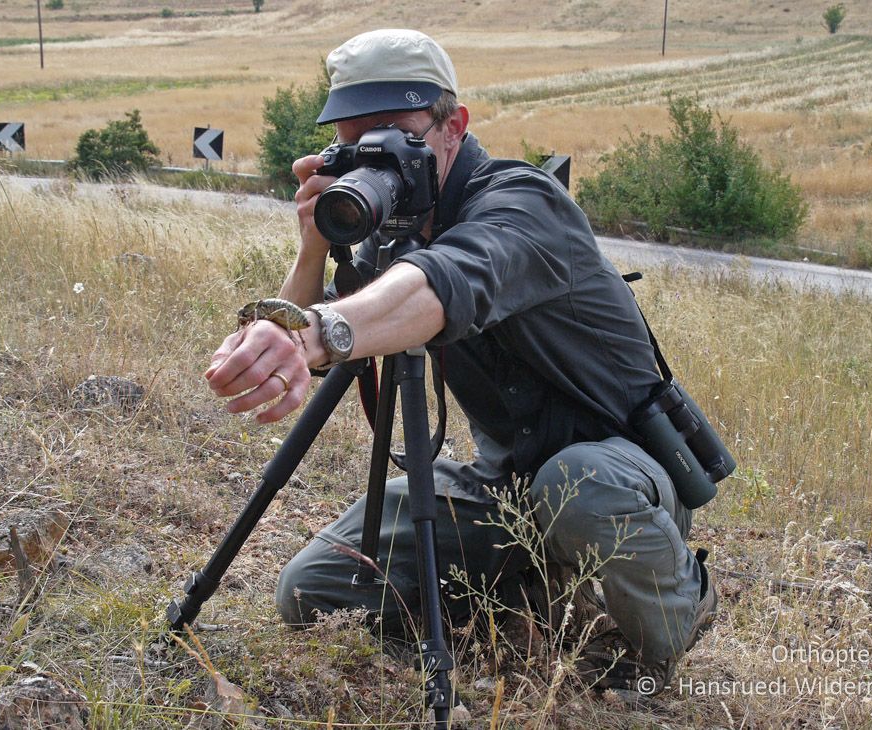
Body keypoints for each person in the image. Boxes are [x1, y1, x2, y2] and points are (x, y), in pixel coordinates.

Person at [204, 28, 717, 692]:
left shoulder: (523, 205)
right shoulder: (394, 235)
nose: (375, 164)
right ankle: (527, 591)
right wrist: (311, 247)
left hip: (621, 480)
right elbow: (332, 338)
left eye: (393, 137)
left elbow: (442, 281)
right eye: (356, 144)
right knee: (313, 590)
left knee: (577, 482)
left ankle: (682, 611)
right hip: (506, 489)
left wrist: (316, 331)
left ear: (454, 127)